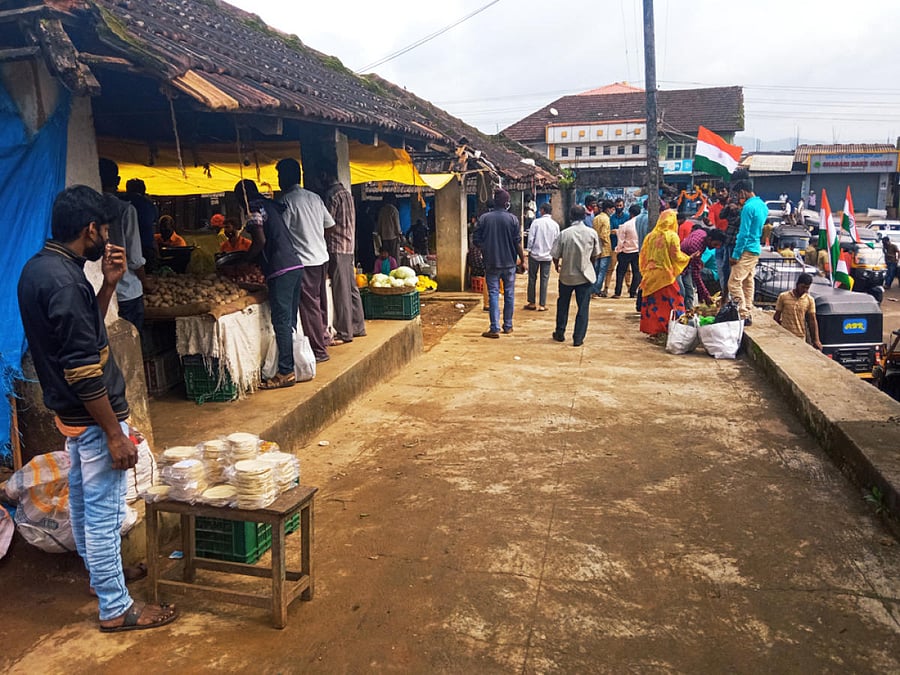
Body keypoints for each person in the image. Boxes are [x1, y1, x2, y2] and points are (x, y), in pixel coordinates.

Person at [17, 185, 178, 632]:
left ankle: (102, 578)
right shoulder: (65, 281)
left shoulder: (42, 269)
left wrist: (107, 286)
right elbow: (83, 369)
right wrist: (114, 434)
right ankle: (115, 606)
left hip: (72, 415)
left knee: (87, 505)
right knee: (105, 513)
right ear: (91, 229)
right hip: (91, 417)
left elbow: (80, 332)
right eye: (103, 230)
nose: (106, 237)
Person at [235, 179, 304, 389]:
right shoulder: (271, 206)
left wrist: (245, 261)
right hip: (294, 265)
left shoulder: (254, 208)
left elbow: (260, 240)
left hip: (280, 268)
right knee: (289, 320)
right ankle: (293, 363)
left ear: (242, 197)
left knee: (282, 321)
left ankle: (286, 371)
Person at [275, 158, 335, 364]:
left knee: (309, 307)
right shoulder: (314, 197)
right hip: (321, 256)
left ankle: (319, 350)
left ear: (285, 177)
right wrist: (316, 238)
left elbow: (282, 233)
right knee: (320, 303)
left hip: (305, 260)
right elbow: (330, 224)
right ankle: (324, 339)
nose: (278, 179)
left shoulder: (287, 201)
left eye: (279, 176)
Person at [98, 158, 151, 332]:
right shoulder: (125, 210)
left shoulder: (89, 207)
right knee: (132, 343)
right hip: (127, 290)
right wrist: (145, 282)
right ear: (118, 182)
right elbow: (135, 258)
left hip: (100, 292)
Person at [473, 188, 526, 338]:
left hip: (491, 263)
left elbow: (475, 239)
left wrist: (486, 249)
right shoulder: (513, 219)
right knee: (509, 294)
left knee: (494, 294)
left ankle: (494, 327)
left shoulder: (484, 218)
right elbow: (517, 243)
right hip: (509, 263)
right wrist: (523, 260)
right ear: (506, 203)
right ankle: (508, 326)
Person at [323, 173, 366, 344]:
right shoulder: (346, 194)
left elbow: (328, 223)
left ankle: (344, 331)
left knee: (341, 290)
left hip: (336, 246)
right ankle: (358, 326)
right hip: (349, 246)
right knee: (351, 287)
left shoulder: (331, 195)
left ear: (323, 175)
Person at [551, 205, 601, 347]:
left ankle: (560, 332)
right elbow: (596, 254)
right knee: (583, 308)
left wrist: (557, 265)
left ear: (571, 216)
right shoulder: (591, 233)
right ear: (584, 216)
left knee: (563, 304)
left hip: (567, 275)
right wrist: (588, 263)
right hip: (585, 276)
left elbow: (555, 254)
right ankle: (578, 338)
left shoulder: (564, 234)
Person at [638, 209, 691, 340]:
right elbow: (676, 256)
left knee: (653, 304)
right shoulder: (672, 236)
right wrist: (688, 258)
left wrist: (645, 272)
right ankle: (672, 329)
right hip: (666, 276)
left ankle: (654, 331)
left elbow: (643, 256)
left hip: (650, 276)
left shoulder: (650, 236)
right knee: (673, 302)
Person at [729, 178, 767, 325]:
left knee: (734, 283)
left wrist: (735, 255)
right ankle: (748, 309)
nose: (738, 198)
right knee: (748, 281)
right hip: (756, 248)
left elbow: (743, 233)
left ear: (743, 192)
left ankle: (743, 314)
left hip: (746, 248)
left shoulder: (747, 208)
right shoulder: (762, 205)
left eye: (738, 194)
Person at [524, 202, 560, 311]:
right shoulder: (555, 225)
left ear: (542, 210)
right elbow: (557, 242)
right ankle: (542, 304)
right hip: (548, 256)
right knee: (544, 280)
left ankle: (531, 302)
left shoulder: (536, 222)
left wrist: (529, 251)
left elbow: (531, 238)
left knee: (532, 278)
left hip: (535, 254)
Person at [680, 227, 726, 309]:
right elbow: (696, 275)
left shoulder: (701, 233)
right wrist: (706, 295)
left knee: (689, 292)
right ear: (709, 239)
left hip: (686, 267)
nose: (715, 247)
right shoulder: (696, 246)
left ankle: (688, 313)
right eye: (715, 244)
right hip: (678, 267)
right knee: (683, 293)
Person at [774, 273, 822, 349]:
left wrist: (816, 340)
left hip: (800, 336)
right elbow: (777, 316)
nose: (805, 290)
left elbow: (812, 320)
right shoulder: (783, 296)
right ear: (797, 284)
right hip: (785, 335)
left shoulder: (809, 300)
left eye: (807, 288)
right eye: (803, 287)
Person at [121, 178, 158, 268]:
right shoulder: (149, 205)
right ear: (143, 190)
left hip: (122, 248)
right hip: (145, 248)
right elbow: (153, 228)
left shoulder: (121, 202)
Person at [613, 204, 643, 299]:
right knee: (636, 272)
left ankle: (618, 292)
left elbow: (621, 240)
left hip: (625, 251)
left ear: (630, 213)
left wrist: (618, 250)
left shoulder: (626, 225)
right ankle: (633, 292)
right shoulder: (641, 225)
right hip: (637, 251)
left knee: (620, 272)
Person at [591, 200, 613, 297]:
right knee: (602, 271)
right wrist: (608, 244)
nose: (612, 211)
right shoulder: (606, 219)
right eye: (612, 209)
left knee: (595, 270)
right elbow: (604, 235)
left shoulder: (596, 218)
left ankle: (592, 289)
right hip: (605, 249)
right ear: (608, 209)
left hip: (596, 247)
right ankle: (596, 290)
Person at [377, 194, 402, 260]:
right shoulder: (394, 210)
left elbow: (379, 224)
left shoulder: (382, 210)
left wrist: (379, 233)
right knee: (394, 256)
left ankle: (387, 268)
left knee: (386, 256)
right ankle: (395, 268)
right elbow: (397, 224)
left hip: (384, 237)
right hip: (393, 237)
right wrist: (400, 234)